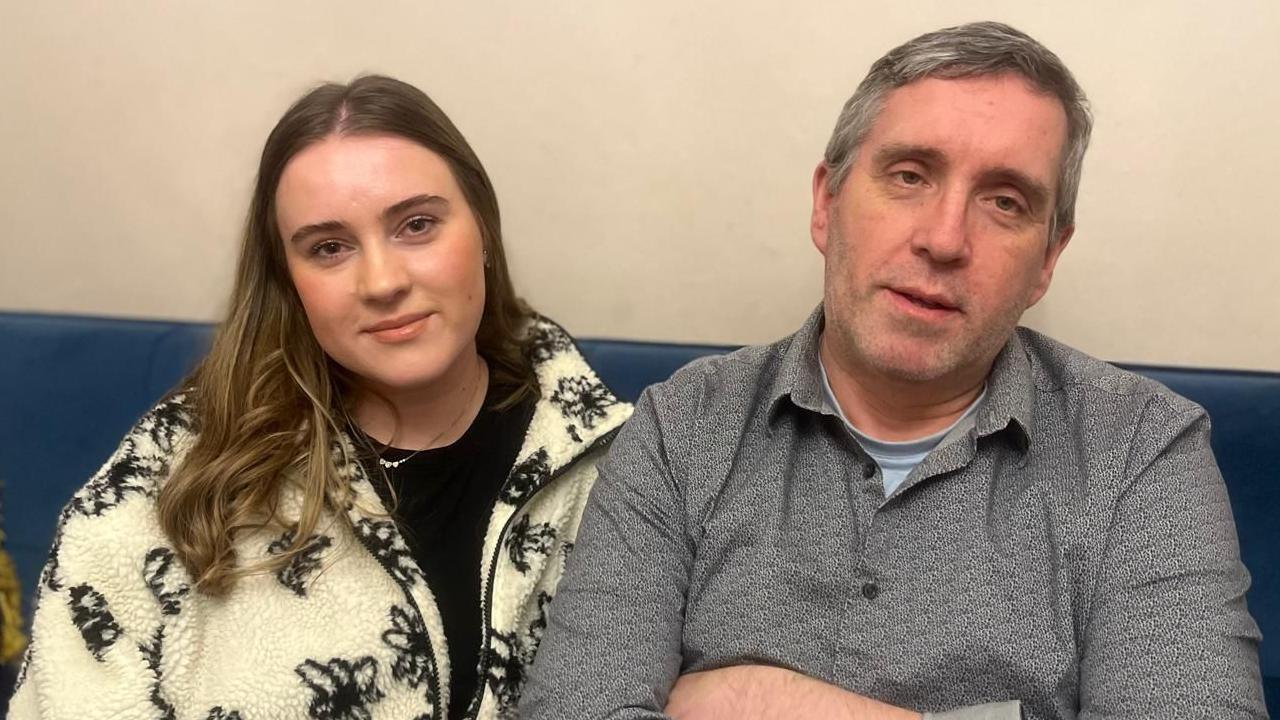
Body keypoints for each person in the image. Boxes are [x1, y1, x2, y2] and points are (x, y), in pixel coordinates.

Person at [521, 21, 1264, 720]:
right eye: (910, 176)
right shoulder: (683, 425)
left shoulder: (1143, 450)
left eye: (1004, 202)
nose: (945, 240)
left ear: (1046, 261)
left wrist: (766, 700)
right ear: (827, 203)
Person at [10, 75, 630, 720]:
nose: (382, 281)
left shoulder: (628, 469)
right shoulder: (173, 472)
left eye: (417, 225)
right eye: (329, 248)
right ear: (290, 280)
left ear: (483, 235)